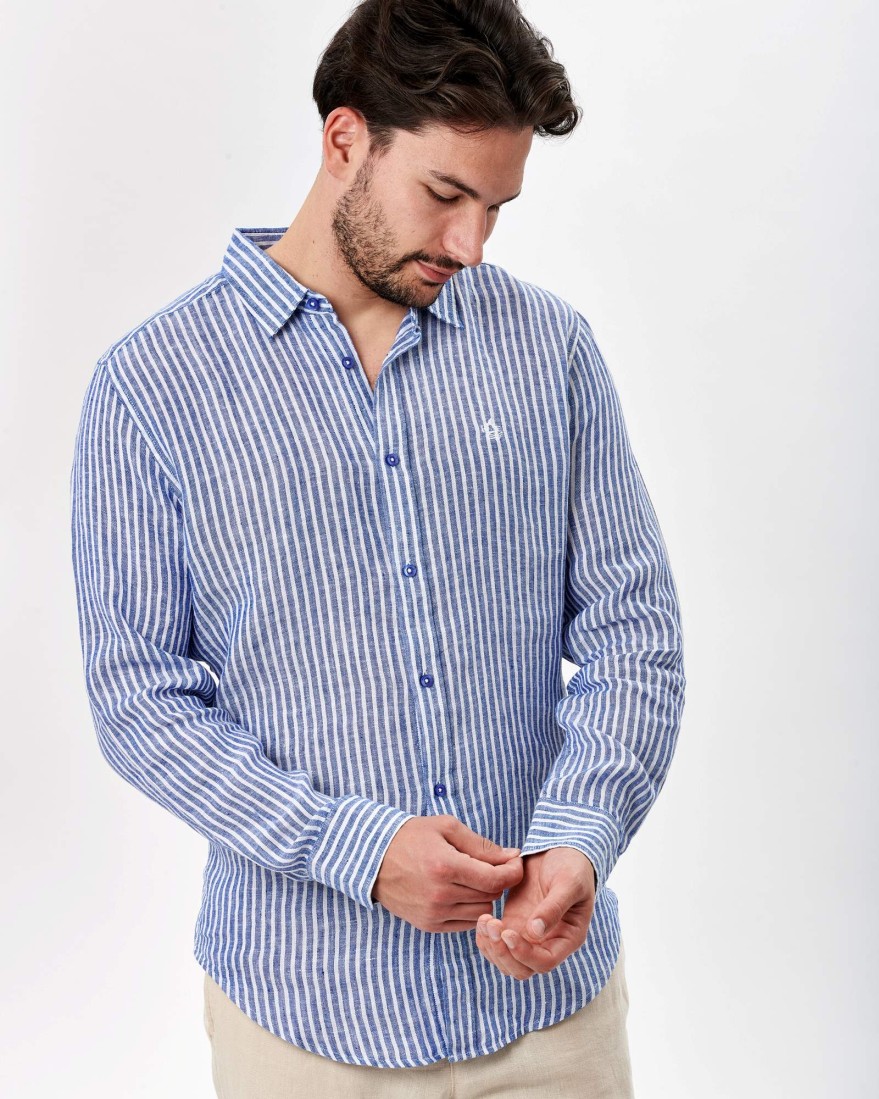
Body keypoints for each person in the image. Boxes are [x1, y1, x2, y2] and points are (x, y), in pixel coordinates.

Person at [69, 0, 686, 1095]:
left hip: (551, 1014)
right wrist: (351, 848)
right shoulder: (152, 389)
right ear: (345, 139)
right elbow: (139, 699)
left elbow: (633, 630)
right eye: (445, 194)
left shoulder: (548, 351)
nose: (469, 245)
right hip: (304, 1018)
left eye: (495, 208)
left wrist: (580, 835)